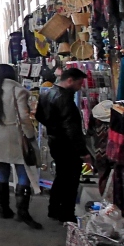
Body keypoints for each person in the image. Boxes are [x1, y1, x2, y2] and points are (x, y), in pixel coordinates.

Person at [0, 63, 41, 229]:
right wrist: (30, 136)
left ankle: (4, 209)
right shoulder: (18, 90)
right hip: (15, 135)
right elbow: (24, 118)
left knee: (3, 170)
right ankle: (22, 212)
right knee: (23, 171)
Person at [36, 67, 88, 223]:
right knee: (70, 180)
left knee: (61, 176)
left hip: (55, 141)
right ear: (70, 80)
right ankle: (66, 213)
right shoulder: (64, 99)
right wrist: (83, 152)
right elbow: (71, 129)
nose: (80, 87)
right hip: (67, 145)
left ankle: (54, 209)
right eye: (79, 83)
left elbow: (39, 115)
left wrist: (52, 126)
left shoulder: (46, 93)